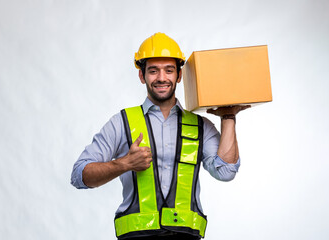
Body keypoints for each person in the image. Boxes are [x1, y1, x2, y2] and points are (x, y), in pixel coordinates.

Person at [71, 32, 249, 240]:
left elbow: (226, 172)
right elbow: (79, 175)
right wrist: (124, 164)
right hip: (136, 237)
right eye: (153, 71)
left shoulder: (200, 126)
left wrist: (228, 116)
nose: (162, 78)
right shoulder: (122, 122)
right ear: (142, 76)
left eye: (169, 70)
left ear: (179, 75)